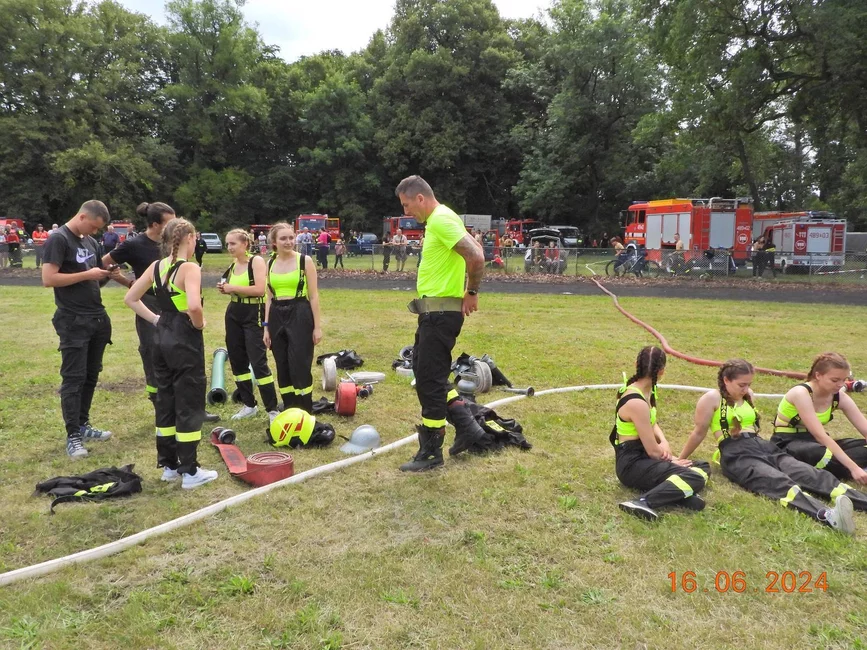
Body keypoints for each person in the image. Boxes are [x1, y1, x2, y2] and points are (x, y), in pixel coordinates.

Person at [678, 360, 860, 534]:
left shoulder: (748, 395)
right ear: (726, 380)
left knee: (808, 473)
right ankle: (828, 516)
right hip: (736, 452)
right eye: (741, 385)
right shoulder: (712, 398)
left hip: (762, 445)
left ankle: (861, 500)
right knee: (777, 481)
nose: (746, 389)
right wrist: (680, 459)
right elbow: (699, 433)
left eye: (749, 384)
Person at [394, 175, 487, 472]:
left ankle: (431, 451)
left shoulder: (441, 220)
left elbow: (476, 255)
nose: (406, 212)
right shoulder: (441, 218)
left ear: (420, 198)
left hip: (440, 314)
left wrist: (472, 292)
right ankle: (467, 426)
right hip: (433, 313)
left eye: (407, 205)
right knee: (426, 373)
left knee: (430, 382)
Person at [124, 218, 218, 489]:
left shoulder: (156, 266)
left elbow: (130, 298)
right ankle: (190, 471)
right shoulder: (190, 267)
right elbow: (194, 306)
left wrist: (156, 320)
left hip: (161, 334)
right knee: (188, 399)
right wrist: (198, 324)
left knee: (165, 398)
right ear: (190, 238)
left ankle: (169, 466)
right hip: (183, 336)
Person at [41, 200, 114, 458]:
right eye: (93, 226)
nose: (95, 232)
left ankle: (83, 424)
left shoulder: (90, 242)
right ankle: (72, 435)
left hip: (97, 318)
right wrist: (88, 274)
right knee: (73, 378)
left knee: (91, 375)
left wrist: (105, 274)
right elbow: (49, 278)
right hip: (73, 320)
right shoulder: (58, 239)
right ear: (82, 217)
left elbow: (93, 280)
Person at [612, 346, 710, 520]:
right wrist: (672, 459)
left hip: (644, 456)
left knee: (702, 466)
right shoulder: (636, 401)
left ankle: (676, 493)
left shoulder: (648, 390)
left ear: (636, 364)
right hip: (632, 463)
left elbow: (652, 422)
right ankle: (643, 502)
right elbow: (653, 451)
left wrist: (664, 441)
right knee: (694, 476)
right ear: (662, 371)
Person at [104, 202, 177, 406]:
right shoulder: (134, 244)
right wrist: (128, 282)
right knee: (152, 348)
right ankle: (158, 399)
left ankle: (179, 397)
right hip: (148, 301)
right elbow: (106, 262)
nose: (174, 227)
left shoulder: (173, 243)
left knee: (176, 347)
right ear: (155, 224)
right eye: (169, 223)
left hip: (173, 300)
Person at [771, 352, 867, 484]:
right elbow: (820, 435)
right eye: (835, 380)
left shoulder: (839, 397)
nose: (840, 385)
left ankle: (839, 468)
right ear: (818, 375)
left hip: (816, 442)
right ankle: (853, 470)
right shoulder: (801, 393)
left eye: (844, 380)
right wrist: (854, 468)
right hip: (789, 442)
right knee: (819, 454)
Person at [219, 229, 279, 422]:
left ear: (245, 244)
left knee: (258, 361)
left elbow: (260, 290)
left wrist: (232, 287)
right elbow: (235, 288)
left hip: (254, 312)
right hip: (234, 311)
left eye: (233, 243)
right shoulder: (233, 264)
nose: (229, 247)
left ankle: (272, 409)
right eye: (227, 244)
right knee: (237, 360)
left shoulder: (256, 261)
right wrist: (226, 289)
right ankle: (249, 404)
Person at [263, 223, 322, 413]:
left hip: (300, 312)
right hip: (276, 314)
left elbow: (314, 296)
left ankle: (304, 408)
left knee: (300, 363)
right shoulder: (270, 263)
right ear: (274, 242)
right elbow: (268, 297)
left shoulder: (305, 261)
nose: (288, 242)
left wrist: (317, 327)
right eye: (283, 238)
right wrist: (266, 327)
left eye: (291, 237)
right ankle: (289, 407)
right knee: (282, 363)